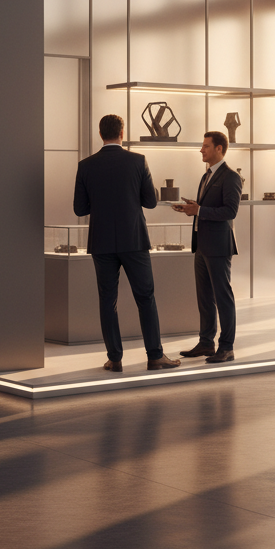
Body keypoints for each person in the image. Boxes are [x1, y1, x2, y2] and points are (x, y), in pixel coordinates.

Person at [72, 114, 180, 372]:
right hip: (134, 240)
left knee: (107, 300)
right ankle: (155, 356)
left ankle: (115, 359)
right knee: (145, 297)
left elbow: (79, 209)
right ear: (122, 133)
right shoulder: (138, 161)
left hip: (101, 242)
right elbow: (151, 202)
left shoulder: (86, 165)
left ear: (100, 134)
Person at [173, 131, 243, 363]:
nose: (201, 150)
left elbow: (230, 211)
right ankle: (206, 343)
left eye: (205, 146)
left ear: (219, 149)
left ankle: (227, 347)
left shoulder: (230, 176)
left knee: (223, 296)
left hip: (218, 246)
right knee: (204, 297)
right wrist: (194, 207)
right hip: (202, 245)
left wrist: (200, 210)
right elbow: (209, 207)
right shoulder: (206, 176)